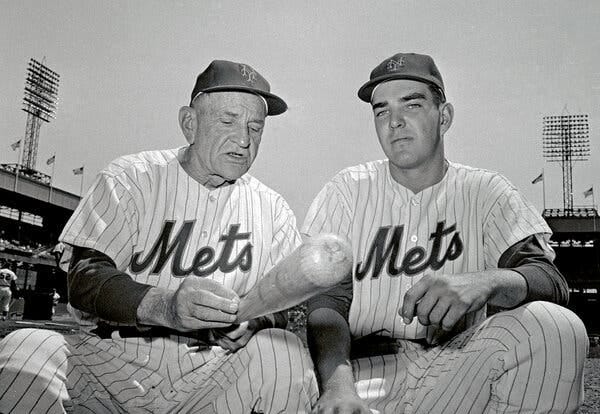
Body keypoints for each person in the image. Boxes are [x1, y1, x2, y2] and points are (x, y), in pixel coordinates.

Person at [0, 59, 320, 413]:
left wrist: (258, 319)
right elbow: (85, 278)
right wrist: (165, 305)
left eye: (255, 128)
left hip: (213, 371)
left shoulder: (272, 208)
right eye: (228, 121)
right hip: (112, 357)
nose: (244, 140)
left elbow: (282, 308)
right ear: (189, 123)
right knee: (25, 349)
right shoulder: (132, 177)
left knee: (283, 352)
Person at [302, 52, 588, 414]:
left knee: (556, 328)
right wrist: (339, 388)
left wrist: (485, 282)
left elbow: (549, 279)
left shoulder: (486, 191)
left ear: (445, 116)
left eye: (412, 105)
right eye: (381, 111)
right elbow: (327, 303)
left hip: (460, 368)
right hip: (364, 373)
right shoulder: (346, 190)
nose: (395, 122)